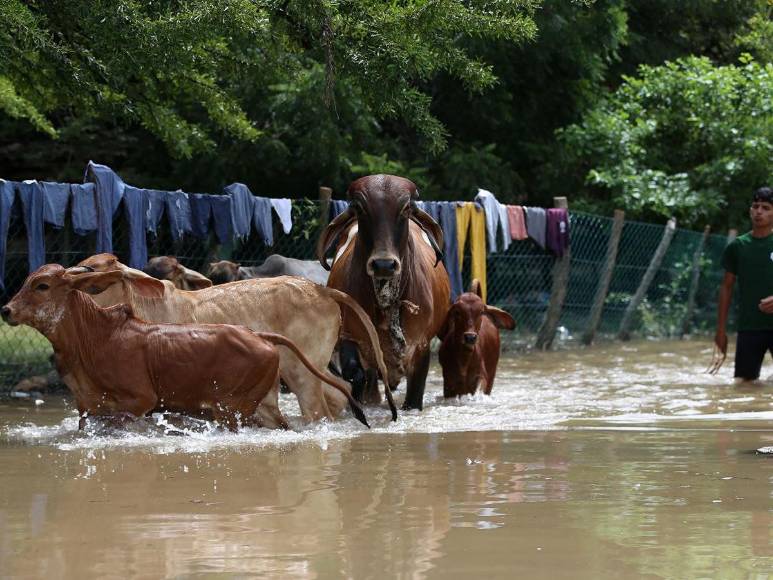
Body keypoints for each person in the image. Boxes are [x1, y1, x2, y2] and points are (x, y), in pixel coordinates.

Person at [714, 186, 773, 381]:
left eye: (766, 207)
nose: (759, 212)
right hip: (750, 328)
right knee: (743, 386)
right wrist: (721, 331)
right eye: (755, 206)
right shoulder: (738, 247)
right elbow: (726, 287)